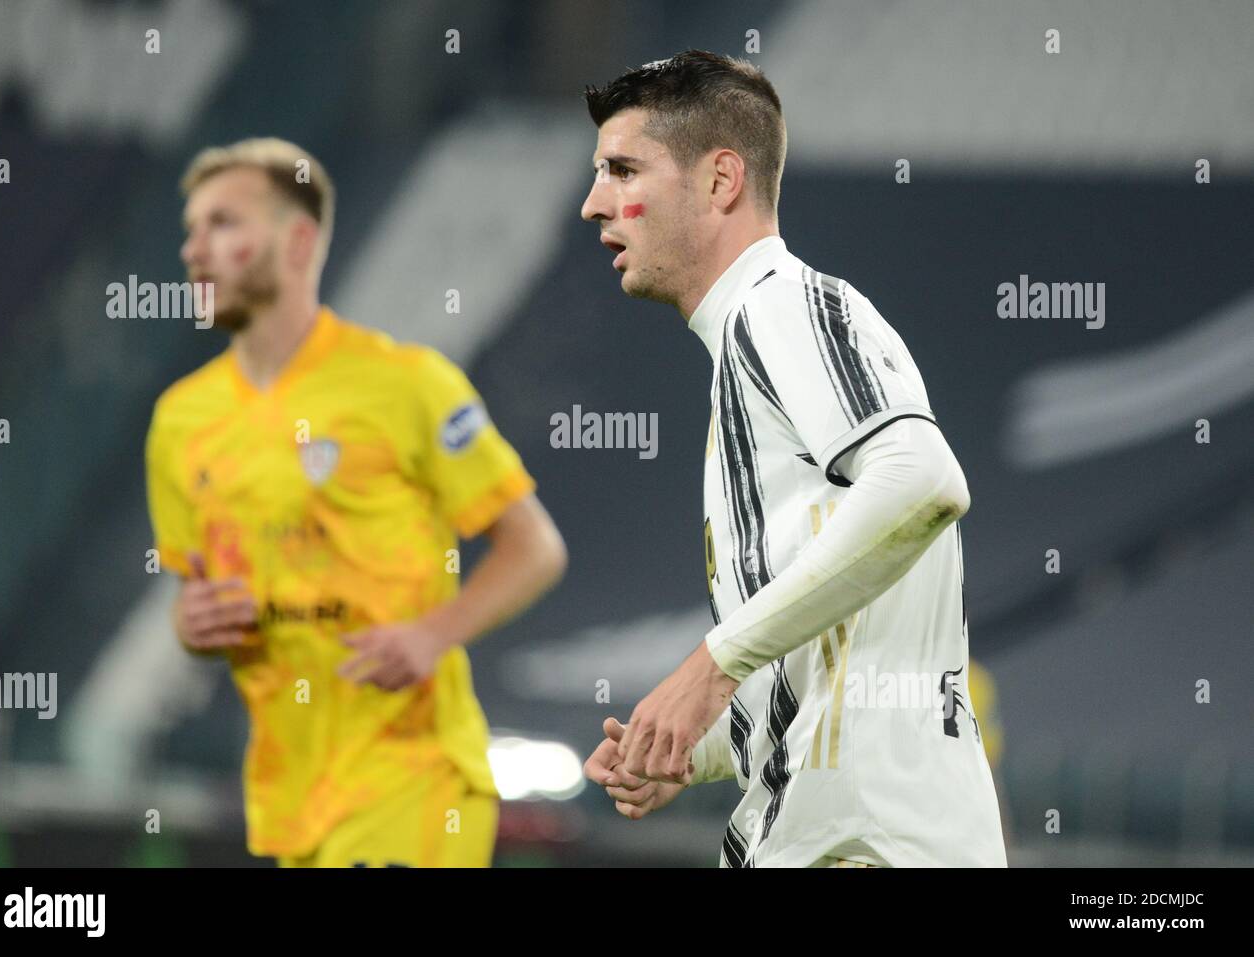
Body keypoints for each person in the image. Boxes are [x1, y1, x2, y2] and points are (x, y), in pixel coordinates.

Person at [579, 52, 1005, 867]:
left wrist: (710, 666)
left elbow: (924, 480)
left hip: (865, 846)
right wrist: (692, 745)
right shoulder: (748, 359)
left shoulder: (781, 305)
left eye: (622, 168)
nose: (595, 202)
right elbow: (839, 662)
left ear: (720, 180)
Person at [146, 138, 567, 867]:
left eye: (223, 224)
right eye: (191, 229)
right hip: (290, 795)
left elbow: (534, 548)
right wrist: (192, 625)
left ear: (298, 240)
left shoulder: (405, 385)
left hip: (414, 773)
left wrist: (433, 634)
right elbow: (195, 603)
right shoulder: (181, 421)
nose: (194, 250)